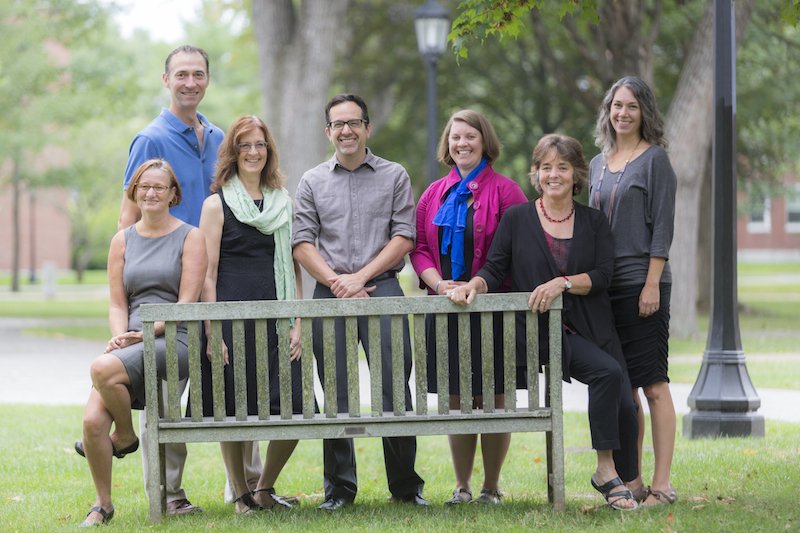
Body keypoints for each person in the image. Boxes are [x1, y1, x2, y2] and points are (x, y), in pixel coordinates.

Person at [449, 134, 640, 511]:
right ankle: (606, 470)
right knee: (607, 373)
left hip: (588, 326)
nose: (555, 174)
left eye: (563, 167)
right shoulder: (517, 218)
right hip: (536, 332)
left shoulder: (594, 221)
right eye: (547, 167)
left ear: (576, 174)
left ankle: (615, 473)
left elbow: (603, 275)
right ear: (536, 174)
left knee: (615, 382)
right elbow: (495, 266)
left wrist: (562, 283)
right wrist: (473, 284)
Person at [116, 45, 262, 515]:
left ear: (207, 80)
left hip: (219, 277)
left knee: (233, 381)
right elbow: (127, 219)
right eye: (181, 75)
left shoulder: (220, 136)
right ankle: (170, 493)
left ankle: (247, 487)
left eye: (198, 74)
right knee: (166, 391)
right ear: (166, 81)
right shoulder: (150, 139)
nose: (190, 82)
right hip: (167, 281)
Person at [292, 93, 427, 510]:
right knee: (336, 391)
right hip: (329, 294)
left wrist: (360, 278)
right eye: (338, 124)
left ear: (367, 128)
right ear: (328, 131)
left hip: (383, 289)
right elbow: (301, 243)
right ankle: (339, 491)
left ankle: (405, 487)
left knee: (394, 388)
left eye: (354, 123)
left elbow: (404, 236)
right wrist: (337, 282)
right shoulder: (312, 180)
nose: (346, 130)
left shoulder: (394, 176)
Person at [77, 159, 207, 525]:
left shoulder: (190, 236)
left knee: (102, 367)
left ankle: (126, 434)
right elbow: (118, 303)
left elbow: (186, 303)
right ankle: (104, 504)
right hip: (132, 342)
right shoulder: (122, 240)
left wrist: (149, 330)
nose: (151, 193)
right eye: (144, 187)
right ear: (134, 192)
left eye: (159, 187)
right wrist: (120, 335)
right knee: (90, 422)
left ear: (173, 194)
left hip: (176, 337)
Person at [409, 110, 527, 505]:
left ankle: (491, 487)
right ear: (448, 144)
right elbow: (421, 250)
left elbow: (518, 252)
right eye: (455, 137)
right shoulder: (432, 194)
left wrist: (479, 286)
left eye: (470, 136)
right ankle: (461, 487)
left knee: (495, 400)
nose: (462, 143)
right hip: (445, 309)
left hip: (494, 311)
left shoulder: (508, 192)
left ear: (484, 141)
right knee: (456, 399)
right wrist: (440, 285)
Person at [196, 116, 304, 513]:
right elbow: (207, 273)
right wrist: (212, 330)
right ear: (233, 152)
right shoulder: (216, 204)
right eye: (244, 145)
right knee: (231, 410)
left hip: (278, 320)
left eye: (259, 144)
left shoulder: (284, 202)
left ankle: (264, 488)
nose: (253, 152)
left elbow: (293, 269)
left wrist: (296, 322)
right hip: (231, 320)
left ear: (269, 150)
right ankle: (241, 493)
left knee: (296, 408)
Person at [589, 76, 678, 506]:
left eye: (632, 107)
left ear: (644, 113)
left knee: (654, 385)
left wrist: (650, 285)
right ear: (608, 110)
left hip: (644, 285)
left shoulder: (655, 160)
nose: (622, 113)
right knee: (622, 390)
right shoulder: (596, 164)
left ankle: (662, 485)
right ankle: (635, 480)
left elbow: (662, 228)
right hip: (604, 292)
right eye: (616, 105)